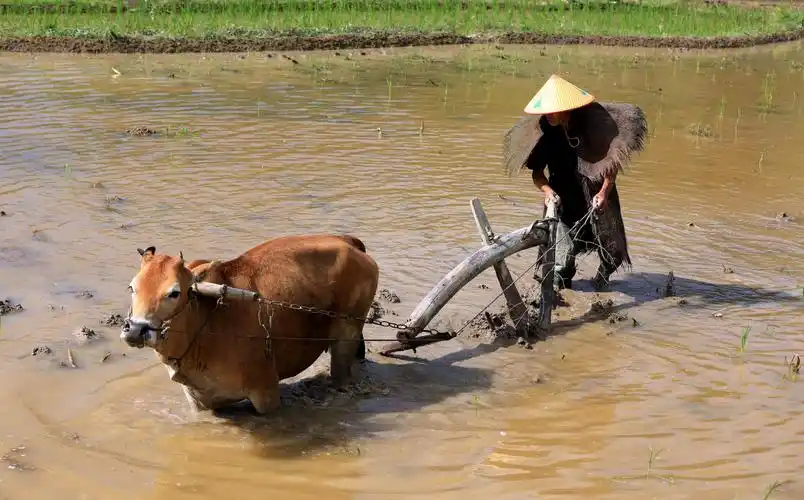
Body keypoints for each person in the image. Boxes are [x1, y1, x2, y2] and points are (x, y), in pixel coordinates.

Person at [502, 74, 648, 292]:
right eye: (547, 110)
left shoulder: (592, 125)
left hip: (595, 193)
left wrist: (604, 192)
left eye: (555, 110)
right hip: (562, 198)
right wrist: (547, 191)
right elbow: (537, 174)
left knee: (611, 250)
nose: (550, 115)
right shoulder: (543, 131)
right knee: (562, 258)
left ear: (568, 108)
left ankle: (601, 283)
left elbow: (611, 164)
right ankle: (563, 295)